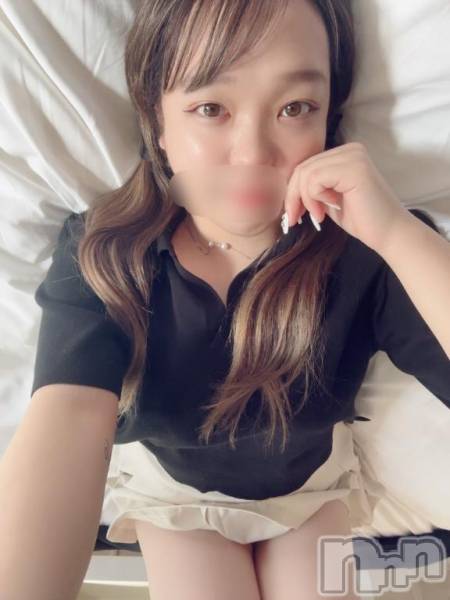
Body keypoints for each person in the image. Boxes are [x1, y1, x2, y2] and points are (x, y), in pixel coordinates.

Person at [2, 1, 449, 599]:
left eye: (296, 108)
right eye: (211, 108)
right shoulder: (105, 252)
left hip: (309, 489)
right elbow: (69, 414)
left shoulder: (365, 253)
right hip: (176, 494)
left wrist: (396, 233)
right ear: (157, 121)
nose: (253, 151)